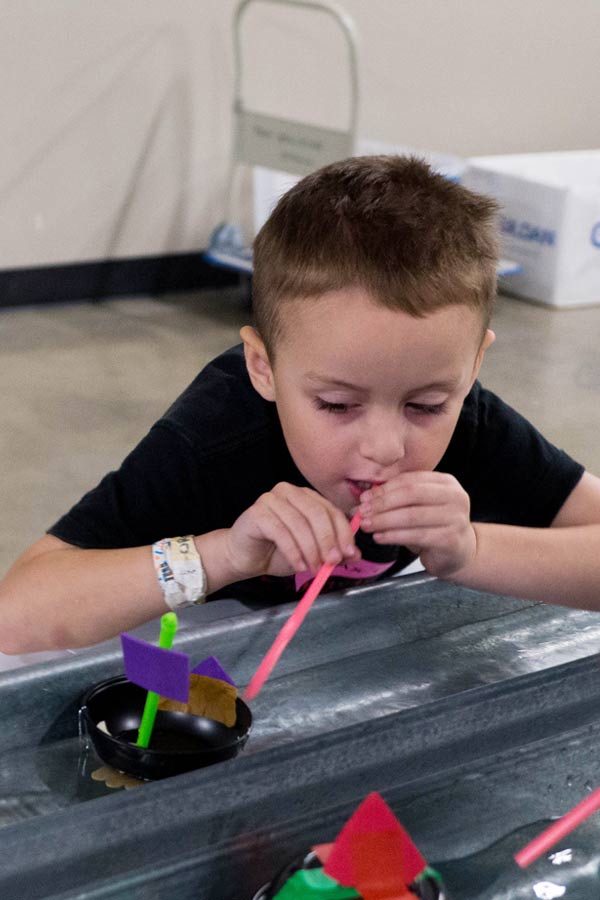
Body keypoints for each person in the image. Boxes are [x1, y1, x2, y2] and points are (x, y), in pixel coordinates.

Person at [2, 155, 600, 654]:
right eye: (337, 405)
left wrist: (473, 549)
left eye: (424, 406)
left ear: (472, 368)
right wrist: (222, 554)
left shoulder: (471, 422)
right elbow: (20, 615)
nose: (385, 448)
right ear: (263, 368)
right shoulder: (220, 435)